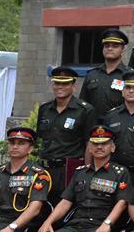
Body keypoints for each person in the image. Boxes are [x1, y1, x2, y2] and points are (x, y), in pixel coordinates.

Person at [34, 66, 98, 204]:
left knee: (65, 207)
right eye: (57, 83)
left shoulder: (85, 110)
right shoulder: (45, 109)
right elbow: (40, 140)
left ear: (73, 86)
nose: (60, 87)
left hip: (69, 168)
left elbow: (89, 144)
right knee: (42, 207)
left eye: (65, 83)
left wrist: (86, 172)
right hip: (45, 168)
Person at [80, 28, 129, 114]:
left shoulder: (129, 75)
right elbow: (83, 103)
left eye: (115, 46)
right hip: (93, 123)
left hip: (118, 124)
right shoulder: (92, 74)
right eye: (107, 46)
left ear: (123, 49)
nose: (110, 48)